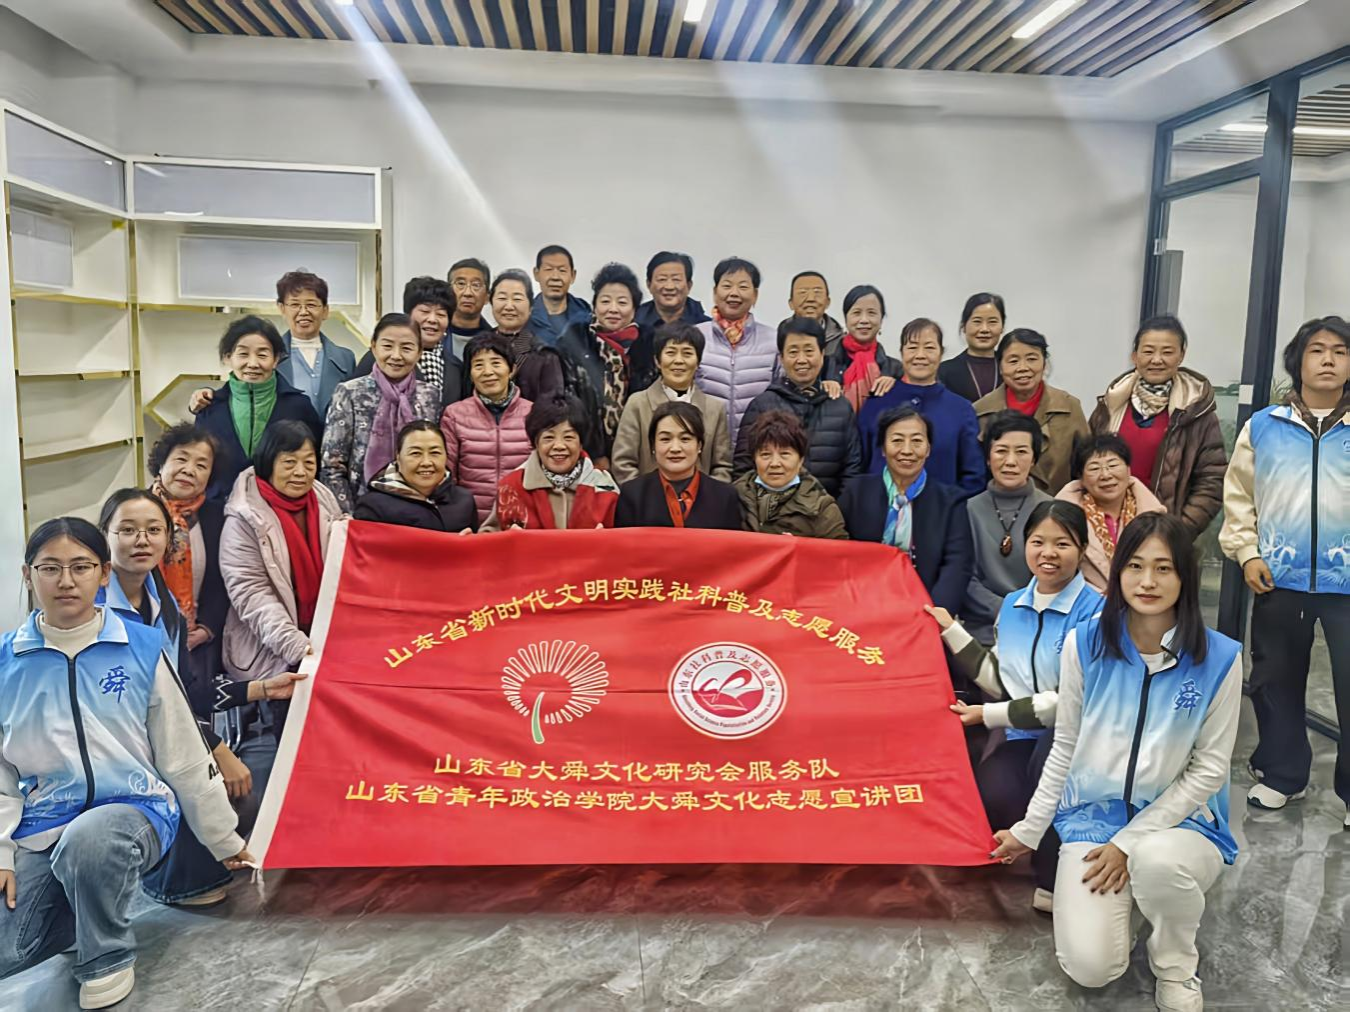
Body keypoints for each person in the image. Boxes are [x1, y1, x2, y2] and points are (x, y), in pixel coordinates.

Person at [993, 513, 1242, 1012]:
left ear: (1185, 577)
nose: (1147, 581)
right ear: (1117, 571)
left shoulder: (1219, 658)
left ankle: (1175, 963)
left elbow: (1210, 769)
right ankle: (1136, 904)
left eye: (1164, 568)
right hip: (1093, 820)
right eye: (1135, 566)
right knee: (1091, 968)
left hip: (1183, 827)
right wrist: (1030, 828)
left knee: (1157, 862)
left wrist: (1129, 843)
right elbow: (1065, 745)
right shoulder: (1085, 644)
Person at [0, 518, 250, 1009]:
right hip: (43, 822)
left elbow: (182, 751)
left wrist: (222, 836)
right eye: (50, 568)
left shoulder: (140, 648)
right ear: (28, 575)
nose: (66, 581)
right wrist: (1, 852)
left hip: (135, 812)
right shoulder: (7, 663)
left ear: (103, 573)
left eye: (81, 567)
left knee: (91, 839)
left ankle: (106, 957)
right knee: (10, 946)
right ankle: (76, 919)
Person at [927, 500, 1103, 912]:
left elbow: (1067, 704)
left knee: (1049, 766)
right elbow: (1001, 681)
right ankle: (1031, 842)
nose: (1048, 553)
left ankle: (1053, 875)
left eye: (1062, 544)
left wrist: (988, 715)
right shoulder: (1012, 605)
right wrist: (951, 630)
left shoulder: (1096, 612)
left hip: (1078, 737)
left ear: (1082, 549)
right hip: (1022, 732)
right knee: (993, 792)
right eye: (1038, 542)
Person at [94, 489, 262, 912]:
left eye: (154, 530)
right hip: (117, 746)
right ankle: (166, 877)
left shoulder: (162, 599)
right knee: (201, 785)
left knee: (246, 794)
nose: (142, 540)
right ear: (104, 536)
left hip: (168, 732)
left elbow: (184, 689)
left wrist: (258, 689)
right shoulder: (95, 611)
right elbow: (132, 712)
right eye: (127, 530)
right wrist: (214, 747)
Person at [1222, 316, 1349, 825]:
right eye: (1317, 350)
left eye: (1340, 351)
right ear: (1298, 361)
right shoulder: (1264, 426)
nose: (1328, 360)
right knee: (1274, 679)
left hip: (1347, 583)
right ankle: (1281, 775)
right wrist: (1248, 553)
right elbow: (1239, 497)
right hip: (1278, 578)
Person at [220, 420, 337, 761]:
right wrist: (299, 648)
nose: (301, 472)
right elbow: (251, 595)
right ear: (268, 462)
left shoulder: (322, 498)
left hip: (323, 639)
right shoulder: (243, 518)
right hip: (275, 648)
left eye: (309, 462)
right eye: (289, 462)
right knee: (294, 749)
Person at [1089, 315, 1227, 539]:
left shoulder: (1196, 414)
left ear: (1181, 355)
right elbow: (1085, 466)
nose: (1156, 360)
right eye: (1148, 351)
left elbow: (1212, 482)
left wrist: (1178, 531)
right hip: (1105, 529)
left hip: (1164, 534)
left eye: (1167, 352)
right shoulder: (1111, 405)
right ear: (1135, 356)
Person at [837, 406, 973, 613]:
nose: (907, 450)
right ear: (883, 448)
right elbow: (838, 551)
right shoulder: (856, 492)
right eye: (897, 440)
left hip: (924, 606)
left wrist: (933, 614)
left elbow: (957, 564)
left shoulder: (950, 501)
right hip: (861, 602)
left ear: (928, 449)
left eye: (917, 441)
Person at [194, 315, 323, 502]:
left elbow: (315, 462)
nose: (253, 364)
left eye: (262, 355)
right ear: (228, 357)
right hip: (219, 510)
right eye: (243, 354)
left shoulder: (299, 406)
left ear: (276, 359)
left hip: (281, 509)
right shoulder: (210, 407)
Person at [320, 312, 441, 513]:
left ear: (419, 352)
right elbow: (332, 465)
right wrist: (350, 514)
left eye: (406, 348)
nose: (396, 355)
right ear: (374, 347)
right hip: (361, 510)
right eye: (387, 346)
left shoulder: (429, 396)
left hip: (417, 510)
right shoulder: (350, 393)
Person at [734, 317, 861, 498]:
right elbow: (743, 469)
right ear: (781, 358)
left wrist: (835, 511)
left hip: (827, 512)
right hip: (769, 512)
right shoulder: (761, 406)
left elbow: (852, 470)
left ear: (822, 354)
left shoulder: (841, 407)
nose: (801, 360)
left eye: (809, 351)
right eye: (793, 352)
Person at [858, 318, 984, 497]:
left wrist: (952, 506)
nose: (920, 355)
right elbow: (859, 463)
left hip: (941, 510)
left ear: (941, 353)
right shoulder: (877, 402)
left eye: (929, 348)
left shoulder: (961, 409)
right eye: (912, 347)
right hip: (880, 507)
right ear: (901, 352)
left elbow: (973, 475)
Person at [962, 411, 1055, 645]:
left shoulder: (1052, 510)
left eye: (1021, 452)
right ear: (987, 457)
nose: (1010, 461)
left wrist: (1027, 612)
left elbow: (1058, 576)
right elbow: (965, 579)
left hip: (1039, 628)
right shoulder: (968, 510)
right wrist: (1006, 611)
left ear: (1034, 459)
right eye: (1001, 451)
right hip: (981, 633)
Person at [146, 424, 229, 685]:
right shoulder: (135, 511)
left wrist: (206, 629)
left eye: (201, 465)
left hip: (197, 643)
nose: (189, 470)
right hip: (143, 640)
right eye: (181, 459)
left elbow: (223, 581)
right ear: (161, 463)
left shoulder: (217, 516)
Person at [611, 323, 731, 485]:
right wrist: (643, 495)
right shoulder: (638, 404)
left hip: (702, 499)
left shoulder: (715, 409)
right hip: (648, 499)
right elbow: (623, 463)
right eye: (671, 353)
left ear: (698, 362)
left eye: (687, 353)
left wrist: (707, 496)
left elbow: (722, 467)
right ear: (657, 361)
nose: (679, 361)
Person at [973, 328, 1089, 494]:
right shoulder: (981, 411)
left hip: (1057, 505)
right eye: (1013, 361)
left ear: (1044, 363)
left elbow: (1086, 465)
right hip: (997, 505)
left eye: (1032, 359)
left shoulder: (1069, 407)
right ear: (1000, 367)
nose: (1023, 368)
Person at [481, 396, 619, 531]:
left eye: (568, 437)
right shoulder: (512, 487)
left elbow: (623, 538)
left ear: (581, 443)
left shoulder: (604, 486)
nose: (559, 446)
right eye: (548, 437)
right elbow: (488, 538)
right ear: (536, 443)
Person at [556, 262, 645, 468]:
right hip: (585, 457)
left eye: (622, 302)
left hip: (637, 457)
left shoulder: (647, 349)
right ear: (594, 306)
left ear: (634, 309)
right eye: (605, 301)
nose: (613, 309)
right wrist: (595, 453)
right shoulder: (573, 345)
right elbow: (569, 404)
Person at [439, 333, 533, 524]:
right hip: (471, 520)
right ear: (470, 373)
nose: (488, 372)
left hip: (522, 520)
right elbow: (447, 474)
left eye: (496, 363)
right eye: (478, 365)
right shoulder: (454, 415)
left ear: (512, 369)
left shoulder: (533, 413)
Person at [1057, 434, 1165, 592]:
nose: (1106, 475)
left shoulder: (1154, 515)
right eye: (1094, 468)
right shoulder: (1064, 518)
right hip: (1084, 603)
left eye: (1113, 465)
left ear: (1129, 470)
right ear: (1081, 479)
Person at [614, 402, 743, 530]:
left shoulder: (725, 496)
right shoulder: (632, 494)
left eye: (685, 439)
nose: (675, 448)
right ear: (653, 446)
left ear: (699, 445)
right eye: (665, 439)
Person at [694, 256, 779, 445]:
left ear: (755, 295)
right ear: (715, 292)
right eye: (727, 286)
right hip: (705, 447)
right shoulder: (695, 337)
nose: (734, 293)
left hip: (756, 447)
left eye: (743, 287)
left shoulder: (773, 341)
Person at [354, 276, 464, 409]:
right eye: (425, 311)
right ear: (408, 315)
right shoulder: (378, 358)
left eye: (441, 314)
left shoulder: (456, 366)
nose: (432, 319)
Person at [734, 410, 847, 539]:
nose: (775, 463)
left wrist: (800, 547)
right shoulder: (733, 496)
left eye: (785, 454)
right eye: (765, 454)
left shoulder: (822, 507)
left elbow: (839, 549)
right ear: (754, 459)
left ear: (801, 460)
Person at [355, 421, 478, 533]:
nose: (426, 462)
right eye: (415, 453)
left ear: (446, 456)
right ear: (398, 457)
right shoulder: (373, 505)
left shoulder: (463, 500)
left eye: (435, 453)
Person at [272, 269, 356, 418]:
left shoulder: (346, 359)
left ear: (325, 310)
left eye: (311, 305)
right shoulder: (271, 356)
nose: (303, 312)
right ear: (282, 309)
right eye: (295, 304)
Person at [486, 269, 565, 404]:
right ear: (491, 302)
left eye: (517, 299)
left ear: (530, 307)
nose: (509, 306)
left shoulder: (544, 354)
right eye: (502, 298)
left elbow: (553, 406)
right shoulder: (478, 346)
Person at [824, 284, 901, 412]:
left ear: (881, 320)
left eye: (871, 313)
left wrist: (896, 387)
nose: (864, 320)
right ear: (846, 318)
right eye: (856, 313)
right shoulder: (825, 366)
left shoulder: (895, 369)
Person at [939, 292, 1006, 403]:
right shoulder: (944, 372)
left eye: (992, 322)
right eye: (977, 321)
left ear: (1002, 327)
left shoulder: (1011, 368)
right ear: (963, 326)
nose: (984, 329)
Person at [529, 244, 591, 346]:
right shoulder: (525, 315)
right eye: (548, 269)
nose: (555, 277)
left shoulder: (586, 313)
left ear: (572, 275)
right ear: (536, 274)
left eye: (562, 270)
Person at [637, 251, 709, 330]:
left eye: (676, 279)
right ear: (649, 285)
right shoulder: (634, 325)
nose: (669, 287)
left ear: (689, 286)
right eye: (662, 279)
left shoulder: (705, 327)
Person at [779, 270, 844, 358]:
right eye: (802, 293)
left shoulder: (842, 340)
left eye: (817, 292)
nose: (811, 299)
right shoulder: (777, 338)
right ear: (791, 303)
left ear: (828, 302)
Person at [447, 257, 492, 357]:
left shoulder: (496, 341)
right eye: (461, 284)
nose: (468, 293)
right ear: (448, 291)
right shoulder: (432, 335)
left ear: (487, 297)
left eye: (476, 285)